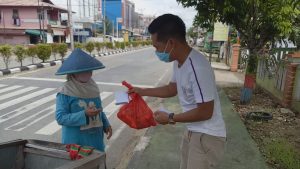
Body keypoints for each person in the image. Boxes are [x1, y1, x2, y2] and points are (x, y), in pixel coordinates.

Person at [130, 14, 226, 169]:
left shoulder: (197, 67)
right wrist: (142, 91)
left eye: (157, 47)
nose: (156, 52)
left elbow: (206, 111)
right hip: (193, 131)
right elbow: (171, 88)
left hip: (208, 135)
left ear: (171, 43)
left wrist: (170, 117)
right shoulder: (179, 62)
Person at [55, 48, 112, 152]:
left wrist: (106, 124)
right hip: (76, 143)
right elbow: (60, 118)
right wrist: (84, 114)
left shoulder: (93, 87)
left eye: (89, 70)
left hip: (96, 141)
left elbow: (99, 110)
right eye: (83, 71)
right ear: (73, 73)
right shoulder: (64, 92)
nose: (88, 73)